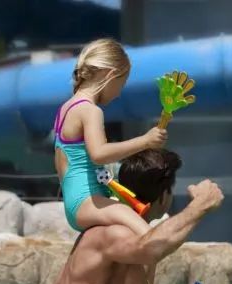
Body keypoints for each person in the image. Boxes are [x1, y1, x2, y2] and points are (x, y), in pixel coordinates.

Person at [46, 149, 223, 284]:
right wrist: (200, 205)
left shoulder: (91, 234)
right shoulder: (119, 236)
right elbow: (151, 248)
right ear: (164, 197)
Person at [54, 38, 167, 235]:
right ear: (110, 75)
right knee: (147, 236)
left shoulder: (65, 108)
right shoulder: (90, 111)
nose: (118, 94)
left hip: (74, 203)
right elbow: (99, 154)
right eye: (121, 85)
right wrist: (145, 141)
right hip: (87, 201)